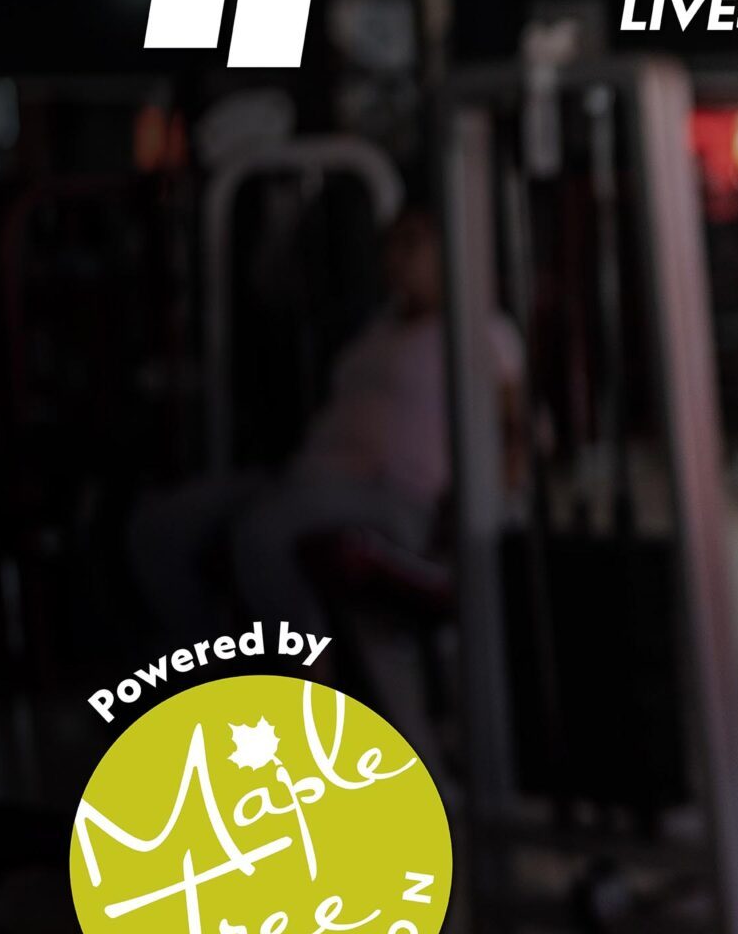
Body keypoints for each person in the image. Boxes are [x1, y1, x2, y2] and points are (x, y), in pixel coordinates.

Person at [130, 207, 523, 647]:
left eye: (410, 244)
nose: (393, 258)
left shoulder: (484, 331)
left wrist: (471, 513)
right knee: (161, 525)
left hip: (397, 494)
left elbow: (517, 430)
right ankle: (208, 672)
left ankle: (314, 687)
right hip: (312, 476)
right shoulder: (379, 329)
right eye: (389, 246)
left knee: (260, 533)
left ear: (447, 250)